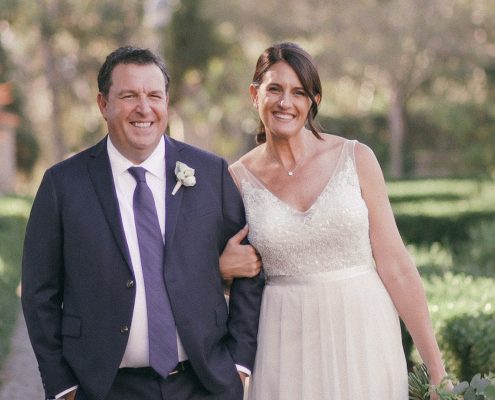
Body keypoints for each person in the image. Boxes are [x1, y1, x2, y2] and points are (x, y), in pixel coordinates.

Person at [21, 46, 264, 400]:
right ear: (103, 104)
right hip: (102, 387)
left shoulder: (211, 174)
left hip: (204, 383)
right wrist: (62, 385)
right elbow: (39, 292)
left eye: (154, 95)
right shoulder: (62, 185)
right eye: (129, 95)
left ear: (167, 101)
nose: (144, 108)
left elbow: (249, 269)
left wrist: (239, 363)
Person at [222, 42, 450, 399]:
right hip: (282, 341)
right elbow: (229, 278)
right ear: (254, 95)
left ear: (314, 101)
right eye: (275, 89)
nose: (286, 102)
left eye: (299, 92)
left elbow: (396, 265)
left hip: (363, 330)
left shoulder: (356, 157)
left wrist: (437, 370)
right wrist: (221, 269)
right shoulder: (235, 179)